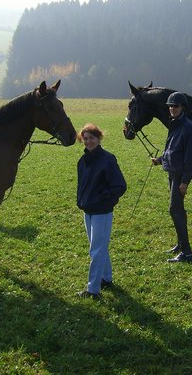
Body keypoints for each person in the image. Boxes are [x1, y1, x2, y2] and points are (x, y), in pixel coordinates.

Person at [76, 123, 127, 300]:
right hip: (87, 210)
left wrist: (103, 199)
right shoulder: (82, 161)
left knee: (96, 250)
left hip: (102, 212)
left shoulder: (108, 159)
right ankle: (106, 278)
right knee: (99, 247)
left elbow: (120, 186)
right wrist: (82, 201)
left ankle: (93, 290)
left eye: (92, 137)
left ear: (99, 138)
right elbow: (81, 185)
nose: (88, 141)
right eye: (85, 138)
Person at [151, 92, 192, 263]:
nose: (172, 108)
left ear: (182, 108)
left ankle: (187, 253)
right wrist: (159, 160)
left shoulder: (188, 128)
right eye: (170, 106)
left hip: (180, 176)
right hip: (172, 174)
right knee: (177, 210)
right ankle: (180, 244)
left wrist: (185, 182)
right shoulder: (176, 125)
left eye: (175, 106)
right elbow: (172, 151)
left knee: (175, 210)